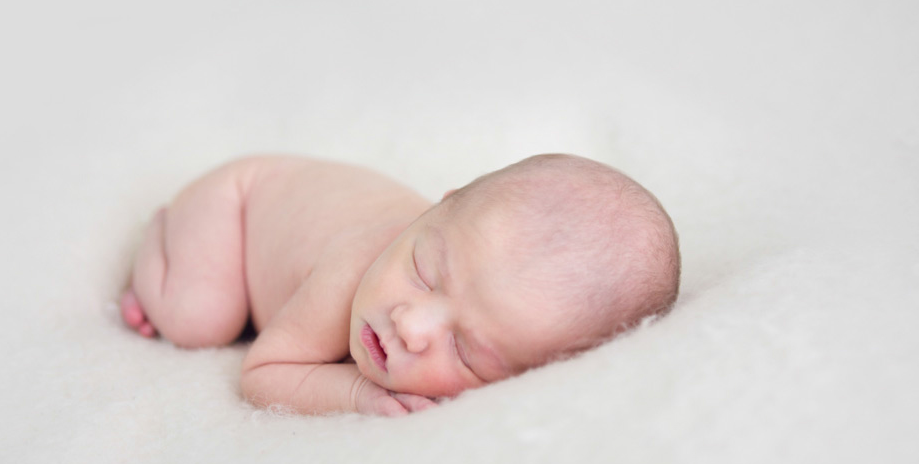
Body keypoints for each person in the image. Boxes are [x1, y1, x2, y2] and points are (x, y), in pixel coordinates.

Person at [120, 153, 681, 416]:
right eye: (423, 271)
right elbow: (263, 374)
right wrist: (358, 394)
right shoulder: (352, 268)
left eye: (466, 350)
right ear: (438, 208)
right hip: (239, 202)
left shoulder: (455, 260)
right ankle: (161, 241)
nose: (410, 324)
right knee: (199, 319)